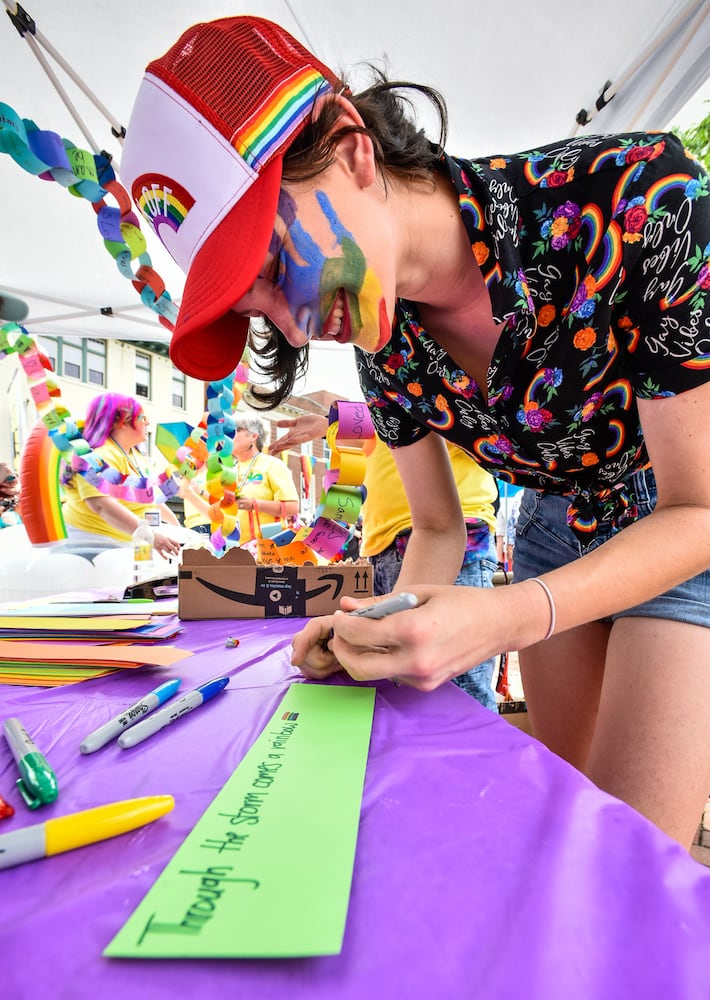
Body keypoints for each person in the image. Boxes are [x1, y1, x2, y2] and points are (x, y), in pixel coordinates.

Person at [121, 17, 710, 849]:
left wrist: (505, 615)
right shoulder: (386, 343)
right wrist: (377, 625)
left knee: (630, 862)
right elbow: (434, 526)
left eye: (265, 263)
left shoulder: (639, 197)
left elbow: (700, 510)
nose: (285, 330)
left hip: (676, 525)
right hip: (551, 529)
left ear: (352, 148)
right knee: (565, 839)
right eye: (246, 306)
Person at [271, 412, 500, 711]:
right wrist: (335, 422)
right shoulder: (385, 388)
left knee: (459, 691)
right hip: (385, 543)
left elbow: (447, 418)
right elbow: (383, 432)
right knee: (402, 680)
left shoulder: (428, 382)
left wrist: (351, 416)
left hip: (459, 535)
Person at [60, 393, 182, 559]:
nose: (148, 422)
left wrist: (178, 529)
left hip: (131, 544)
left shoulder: (137, 456)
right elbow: (101, 505)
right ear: (122, 422)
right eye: (142, 417)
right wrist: (151, 536)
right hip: (93, 548)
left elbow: (150, 498)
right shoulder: (97, 456)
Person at [179, 413, 299, 545]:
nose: (226, 437)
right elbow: (219, 515)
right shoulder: (230, 472)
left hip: (270, 549)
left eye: (234, 431)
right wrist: (189, 494)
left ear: (253, 436)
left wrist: (254, 504)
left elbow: (292, 508)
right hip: (238, 551)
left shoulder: (272, 465)